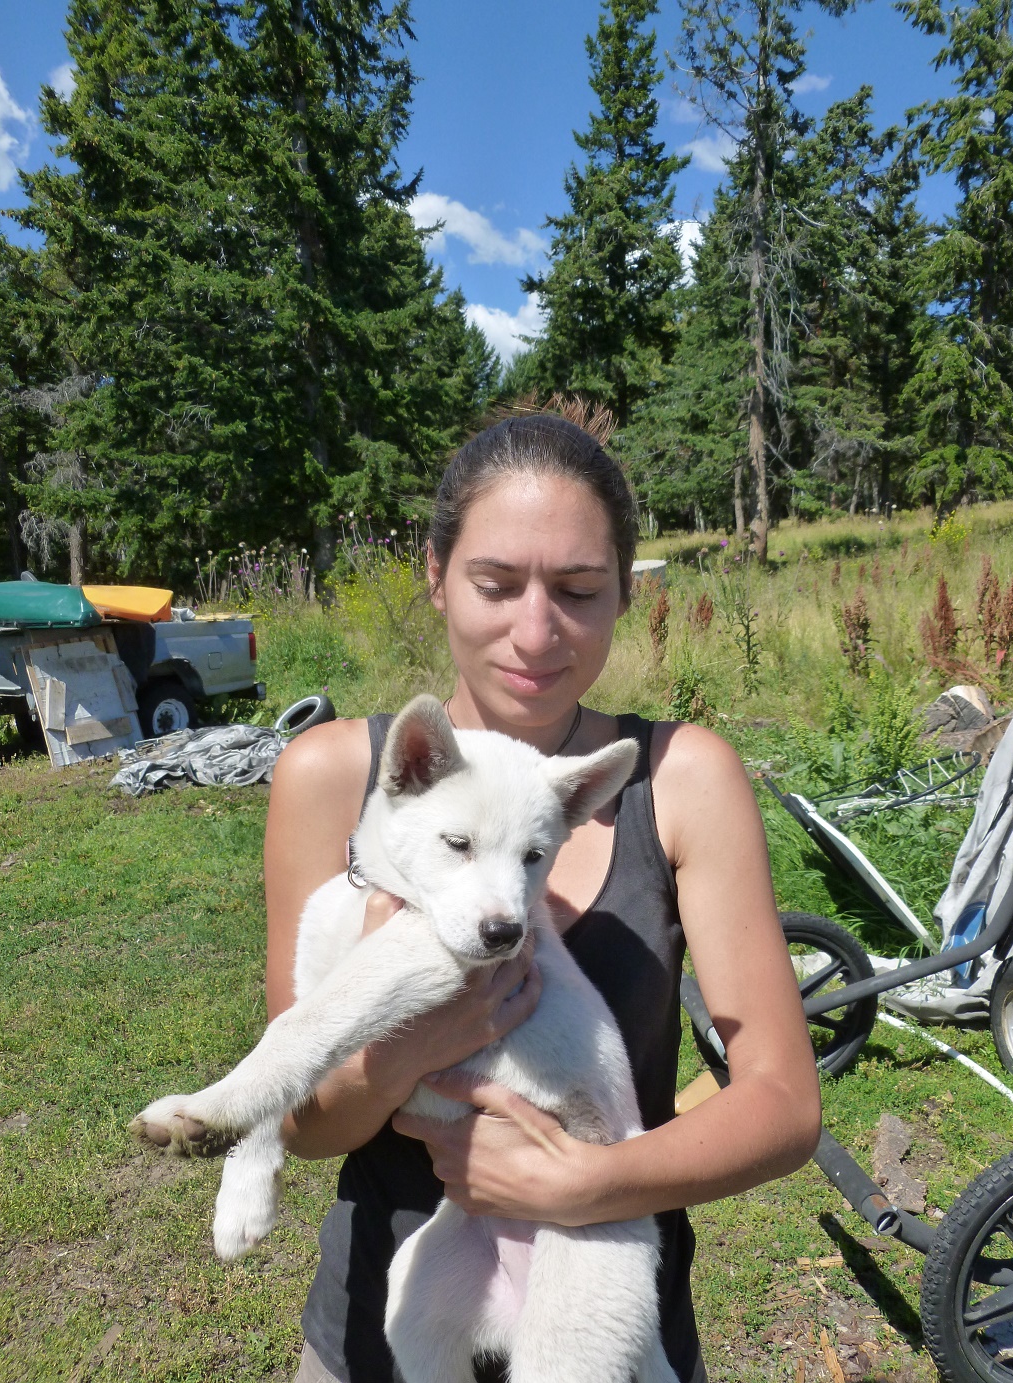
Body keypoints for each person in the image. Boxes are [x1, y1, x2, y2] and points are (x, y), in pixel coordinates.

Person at [264, 413, 822, 1383]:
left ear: (624, 593)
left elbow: (781, 1104)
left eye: (577, 589)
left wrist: (588, 1181)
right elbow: (302, 1123)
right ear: (435, 575)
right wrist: (412, 1041)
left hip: (601, 1325)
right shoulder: (332, 774)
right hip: (387, 1331)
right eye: (494, 584)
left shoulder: (678, 780)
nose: (535, 632)